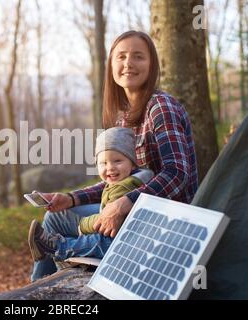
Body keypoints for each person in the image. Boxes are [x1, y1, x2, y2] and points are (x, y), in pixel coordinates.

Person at [30, 30, 198, 282]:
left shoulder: (161, 107)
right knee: (54, 215)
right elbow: (117, 178)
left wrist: (125, 203)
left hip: (163, 221)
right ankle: (39, 291)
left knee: (62, 225)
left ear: (151, 65)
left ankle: (47, 287)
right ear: (111, 65)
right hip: (135, 211)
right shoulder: (124, 116)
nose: (128, 63)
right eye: (121, 57)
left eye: (138, 56)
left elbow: (177, 174)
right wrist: (70, 198)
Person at [28, 127, 154, 262]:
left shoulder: (124, 187)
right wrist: (70, 198)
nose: (110, 167)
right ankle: (51, 249)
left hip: (124, 240)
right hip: (123, 232)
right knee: (62, 221)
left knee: (97, 241)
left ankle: (59, 247)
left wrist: (82, 225)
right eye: (103, 163)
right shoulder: (127, 179)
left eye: (117, 161)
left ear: (133, 164)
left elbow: (105, 220)